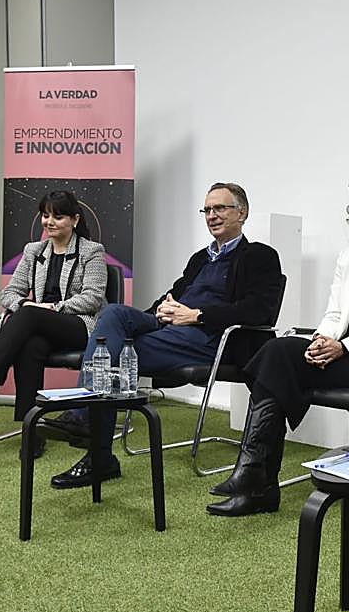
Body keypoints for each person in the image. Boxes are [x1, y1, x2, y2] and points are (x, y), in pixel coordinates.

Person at [206, 158, 349, 516]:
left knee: (274, 361)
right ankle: (255, 479)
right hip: (337, 353)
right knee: (277, 354)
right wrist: (322, 341)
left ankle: (254, 477)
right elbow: (335, 313)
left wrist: (344, 346)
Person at [46, 182, 282, 489]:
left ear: (243, 212)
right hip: (170, 330)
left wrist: (197, 315)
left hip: (210, 340)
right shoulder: (201, 258)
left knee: (111, 355)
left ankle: (95, 445)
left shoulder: (260, 255)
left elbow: (258, 310)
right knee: (114, 315)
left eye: (220, 208)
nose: (212, 215)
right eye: (207, 209)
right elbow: (174, 293)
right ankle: (87, 425)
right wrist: (160, 311)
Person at [0, 190, 107, 458]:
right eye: (45, 215)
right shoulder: (34, 251)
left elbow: (93, 298)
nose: (49, 222)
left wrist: (51, 308)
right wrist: (28, 306)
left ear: (74, 219)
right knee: (30, 343)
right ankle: (32, 430)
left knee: (27, 316)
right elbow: (10, 293)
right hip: (40, 327)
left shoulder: (91, 251)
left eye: (57, 216)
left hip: (78, 325)